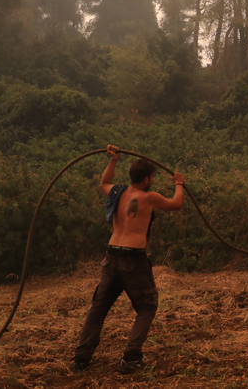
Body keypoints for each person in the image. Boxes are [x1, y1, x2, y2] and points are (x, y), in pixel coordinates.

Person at [71, 145, 185, 374]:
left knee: (99, 307)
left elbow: (103, 183)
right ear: (146, 179)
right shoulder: (149, 197)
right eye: (152, 177)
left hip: (111, 256)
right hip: (133, 260)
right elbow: (177, 204)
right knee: (147, 305)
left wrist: (113, 161)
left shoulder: (117, 192)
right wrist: (179, 183)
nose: (153, 180)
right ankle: (131, 358)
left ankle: (81, 359)